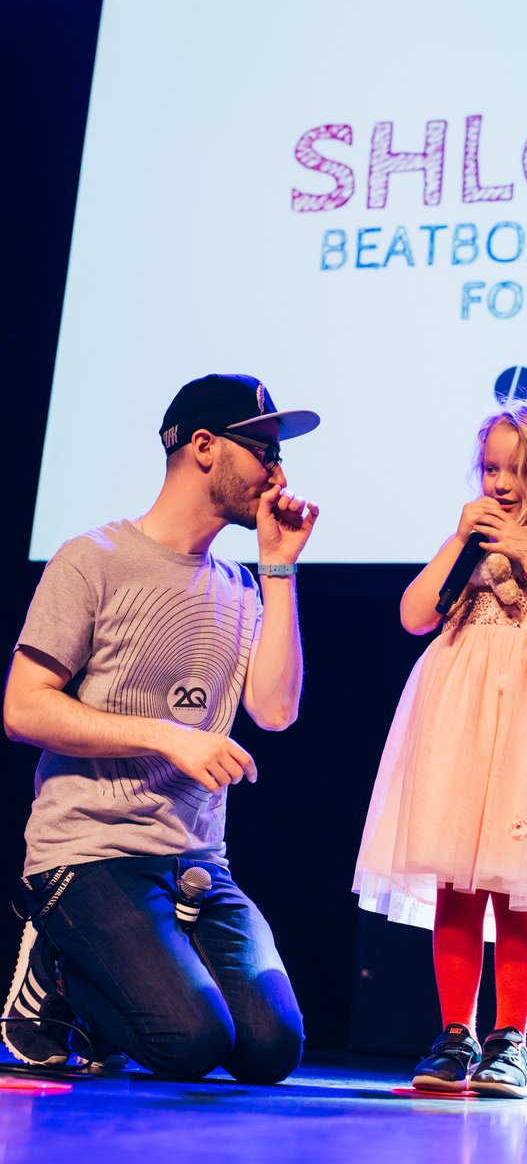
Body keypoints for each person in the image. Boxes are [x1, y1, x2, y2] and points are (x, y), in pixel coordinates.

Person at [2, 372, 320, 1083]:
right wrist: (165, 735)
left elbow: (275, 710)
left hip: (198, 865)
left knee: (271, 1048)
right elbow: (23, 708)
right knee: (191, 1043)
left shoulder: (239, 585)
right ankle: (55, 970)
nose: (279, 472)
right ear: (204, 447)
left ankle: (129, 970)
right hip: (90, 853)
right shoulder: (94, 558)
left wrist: (278, 570)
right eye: (264, 450)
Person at [352, 398, 527, 1099]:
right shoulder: (468, 544)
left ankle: (510, 1041)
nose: (496, 483)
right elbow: (413, 615)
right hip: (456, 714)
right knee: (455, 885)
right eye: (489, 468)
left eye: (513, 470)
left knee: (517, 886)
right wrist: (456, 545)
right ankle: (454, 1034)